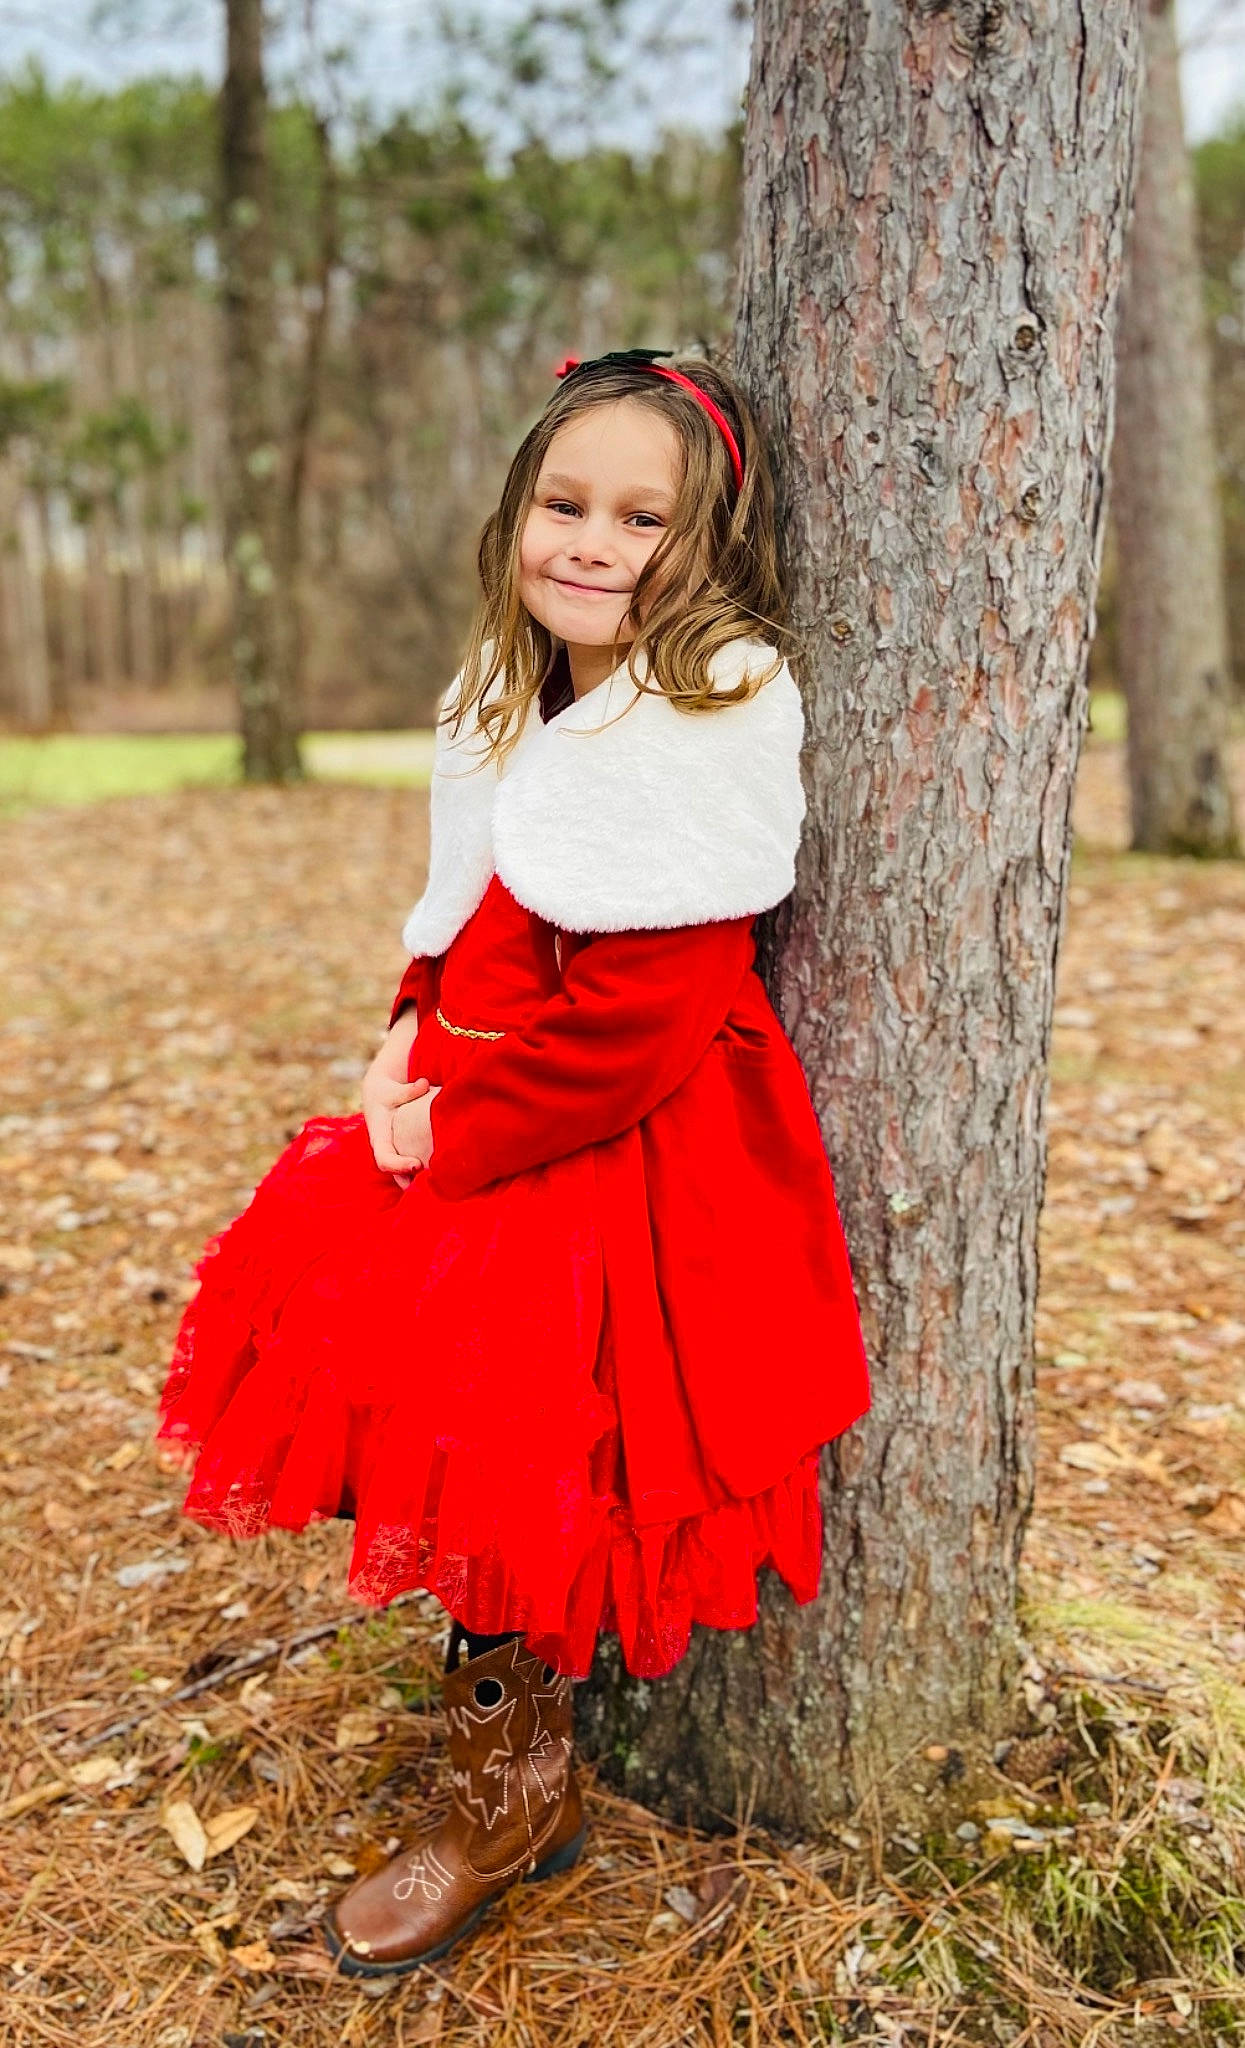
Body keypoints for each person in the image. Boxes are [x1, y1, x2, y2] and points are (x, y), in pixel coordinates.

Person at [156, 346, 871, 1976]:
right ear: (516, 514)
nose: (592, 542)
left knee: (551, 1454)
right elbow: (462, 905)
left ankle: (505, 1796)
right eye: (565, 502)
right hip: (481, 1101)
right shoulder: (505, 685)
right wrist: (404, 1034)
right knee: (454, 1441)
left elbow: (647, 1012)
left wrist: (453, 1131)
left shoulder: (713, 705)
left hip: (622, 1146)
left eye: (641, 518)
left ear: (706, 550)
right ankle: (511, 1762)